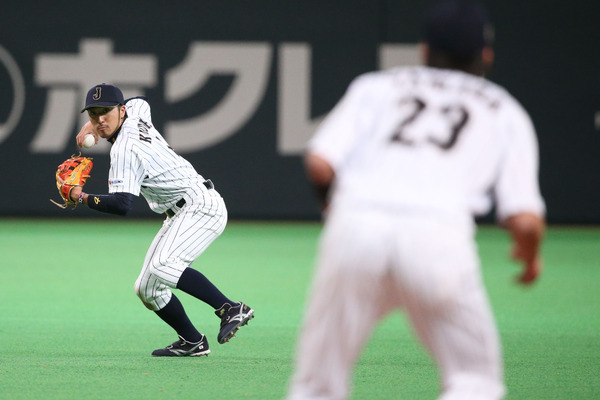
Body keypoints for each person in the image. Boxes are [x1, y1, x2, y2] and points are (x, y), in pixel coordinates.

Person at [286, 1, 545, 399]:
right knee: (475, 380)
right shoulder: (504, 110)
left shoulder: (376, 86)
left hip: (356, 228)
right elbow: (524, 220)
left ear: (424, 50)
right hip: (437, 239)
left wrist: (333, 210)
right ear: (486, 55)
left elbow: (320, 163)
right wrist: (529, 258)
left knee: (317, 385)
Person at [71, 83, 254, 357]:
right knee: (146, 288)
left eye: (105, 112)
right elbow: (140, 99)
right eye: (93, 113)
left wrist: (80, 196)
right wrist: (91, 126)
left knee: (164, 264)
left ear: (120, 111)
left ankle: (230, 308)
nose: (99, 120)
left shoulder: (123, 149)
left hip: (201, 206)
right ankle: (192, 341)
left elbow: (122, 205)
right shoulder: (135, 113)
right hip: (181, 210)